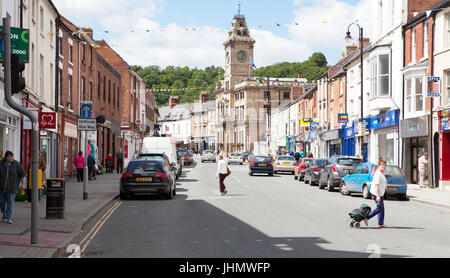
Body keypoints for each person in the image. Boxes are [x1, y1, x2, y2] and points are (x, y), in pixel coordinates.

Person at [0, 151, 26, 224]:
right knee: (2, 202)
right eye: (9, 157)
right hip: (1, 188)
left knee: (10, 203)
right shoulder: (1, 164)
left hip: (12, 188)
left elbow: (23, 175)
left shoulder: (17, 165)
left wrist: (23, 184)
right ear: (5, 157)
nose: (11, 158)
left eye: (12, 156)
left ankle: (9, 218)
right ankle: (4, 214)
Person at [364, 158, 388, 228]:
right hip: (377, 194)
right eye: (382, 165)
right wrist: (377, 196)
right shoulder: (378, 174)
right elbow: (376, 185)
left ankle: (380, 223)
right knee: (379, 208)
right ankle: (367, 217)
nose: (384, 166)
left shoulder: (381, 173)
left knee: (382, 208)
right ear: (379, 166)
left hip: (380, 194)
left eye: (384, 165)